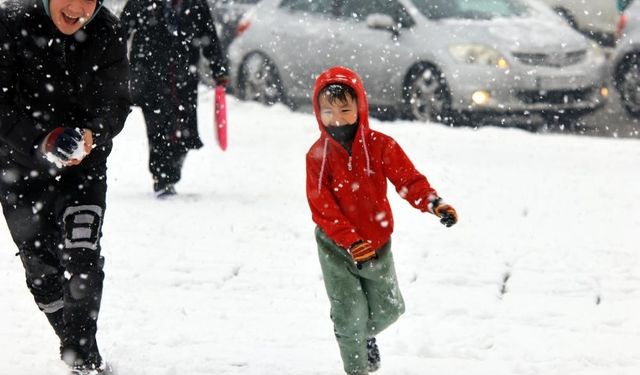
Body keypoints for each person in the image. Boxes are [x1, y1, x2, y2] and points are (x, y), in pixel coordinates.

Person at [0, 0, 130, 373]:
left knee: (82, 251)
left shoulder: (107, 30)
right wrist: (42, 142)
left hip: (82, 169)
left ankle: (84, 358)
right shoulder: (10, 23)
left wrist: (92, 132)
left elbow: (115, 102)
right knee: (42, 271)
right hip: (19, 169)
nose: (77, 9)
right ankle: (70, 339)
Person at [306, 66, 458, 375]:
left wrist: (433, 203)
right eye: (328, 111)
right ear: (318, 112)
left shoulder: (380, 146)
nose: (336, 118)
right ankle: (355, 356)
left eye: (345, 109)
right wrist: (349, 240)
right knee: (348, 313)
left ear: (360, 107)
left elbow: (409, 181)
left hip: (377, 243)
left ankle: (363, 335)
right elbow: (322, 207)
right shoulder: (317, 156)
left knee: (390, 309)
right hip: (336, 247)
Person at [120, 0, 229, 198]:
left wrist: (219, 69)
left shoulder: (196, 4)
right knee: (157, 128)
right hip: (149, 75)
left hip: (184, 77)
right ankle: (162, 176)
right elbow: (121, 32)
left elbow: (208, 36)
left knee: (184, 130)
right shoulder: (142, 2)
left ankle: (171, 170)